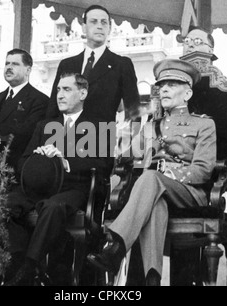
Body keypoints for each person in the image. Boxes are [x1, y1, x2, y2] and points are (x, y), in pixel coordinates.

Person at [87, 59, 217, 286]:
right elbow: (124, 155)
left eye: (173, 84)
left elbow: (203, 170)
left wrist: (165, 172)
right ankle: (152, 278)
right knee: (156, 204)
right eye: (162, 84)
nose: (164, 89)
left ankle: (116, 247)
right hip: (155, 191)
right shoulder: (150, 126)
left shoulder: (204, 125)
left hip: (188, 191)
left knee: (150, 178)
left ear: (187, 94)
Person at [6, 73, 113, 286]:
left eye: (66, 89)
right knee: (6, 206)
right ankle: (16, 262)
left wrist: (65, 160)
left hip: (74, 188)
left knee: (53, 207)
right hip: (37, 188)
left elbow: (103, 164)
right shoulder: (44, 126)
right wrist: (37, 157)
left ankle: (30, 267)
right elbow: (22, 162)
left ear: (83, 93)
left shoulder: (99, 125)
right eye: (58, 90)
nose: (60, 95)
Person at [45, 4, 140, 124]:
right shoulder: (67, 65)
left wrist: (130, 140)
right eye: (94, 22)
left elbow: (134, 111)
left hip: (102, 138)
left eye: (104, 22)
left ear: (109, 29)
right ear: (84, 27)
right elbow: (53, 108)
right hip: (66, 137)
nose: (99, 26)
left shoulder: (121, 64)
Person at [0, 49, 48, 172]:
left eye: (15, 64)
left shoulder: (39, 100)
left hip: (17, 169)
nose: (9, 67)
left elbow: (25, 135)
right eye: (7, 63)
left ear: (28, 70)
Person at [181, 26, 227, 161]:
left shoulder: (223, 88)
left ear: (211, 50)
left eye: (197, 41)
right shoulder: (171, 84)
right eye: (187, 41)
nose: (190, 45)